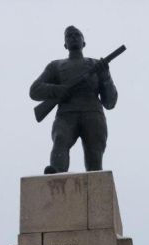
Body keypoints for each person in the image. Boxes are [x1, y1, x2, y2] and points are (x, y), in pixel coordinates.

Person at [30, 26, 118, 174]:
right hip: (66, 114)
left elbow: (110, 102)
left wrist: (106, 77)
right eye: (69, 36)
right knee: (60, 140)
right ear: (65, 45)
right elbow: (34, 90)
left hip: (93, 113)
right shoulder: (55, 66)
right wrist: (59, 90)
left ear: (84, 42)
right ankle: (56, 172)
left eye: (77, 35)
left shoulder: (98, 65)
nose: (73, 37)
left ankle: (95, 181)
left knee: (94, 153)